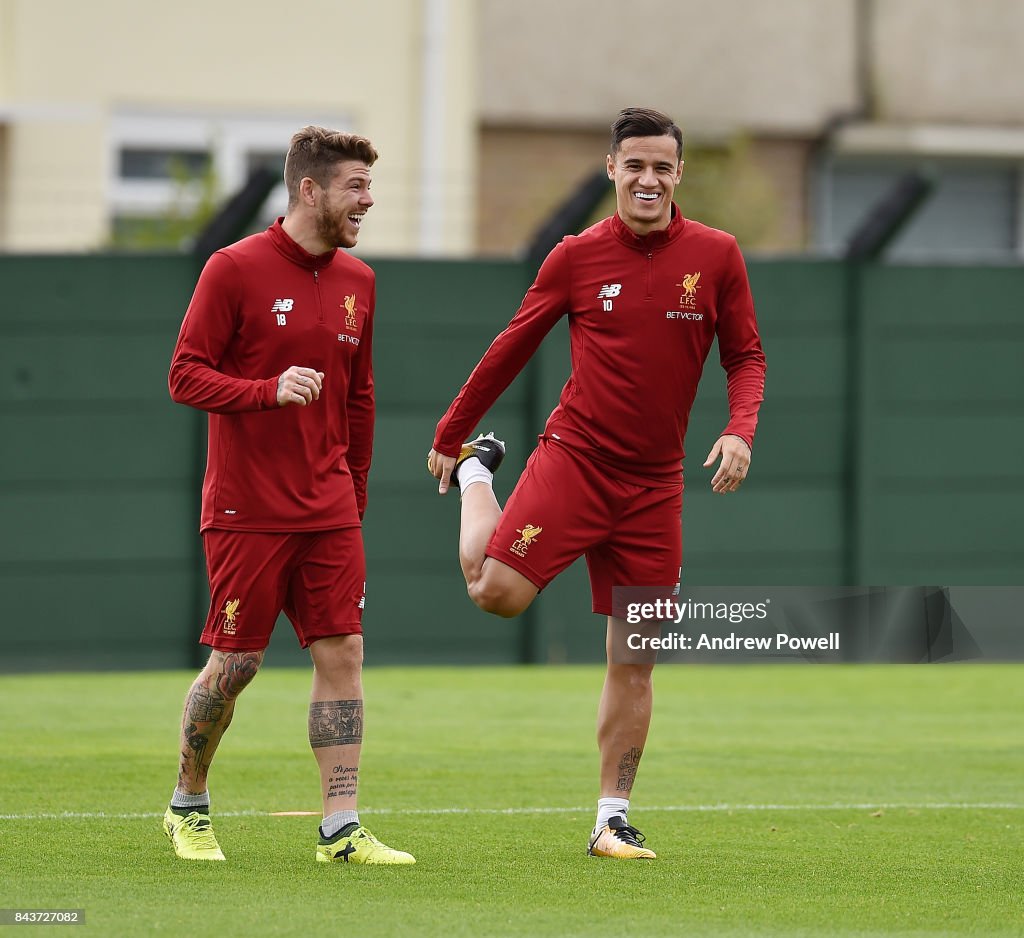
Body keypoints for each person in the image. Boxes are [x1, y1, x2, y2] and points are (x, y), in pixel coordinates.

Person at [427, 107, 766, 859]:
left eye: (662, 167)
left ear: (680, 175)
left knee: (636, 653)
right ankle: (485, 471)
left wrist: (739, 429)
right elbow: (512, 346)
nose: (649, 179)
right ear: (612, 169)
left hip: (654, 487)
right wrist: (455, 434)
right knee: (495, 594)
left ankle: (611, 818)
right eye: (635, 165)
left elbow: (746, 355)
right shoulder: (576, 257)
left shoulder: (716, 255)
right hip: (576, 461)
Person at [164, 125, 413, 865]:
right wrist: (266, 391)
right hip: (246, 508)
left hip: (330, 508)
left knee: (344, 651)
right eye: (355, 187)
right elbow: (184, 375)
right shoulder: (232, 269)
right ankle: (188, 806)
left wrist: (354, 494)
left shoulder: (360, 283)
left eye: (370, 185)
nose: (368, 200)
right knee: (236, 662)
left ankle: (340, 828)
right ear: (309, 190)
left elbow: (359, 399)